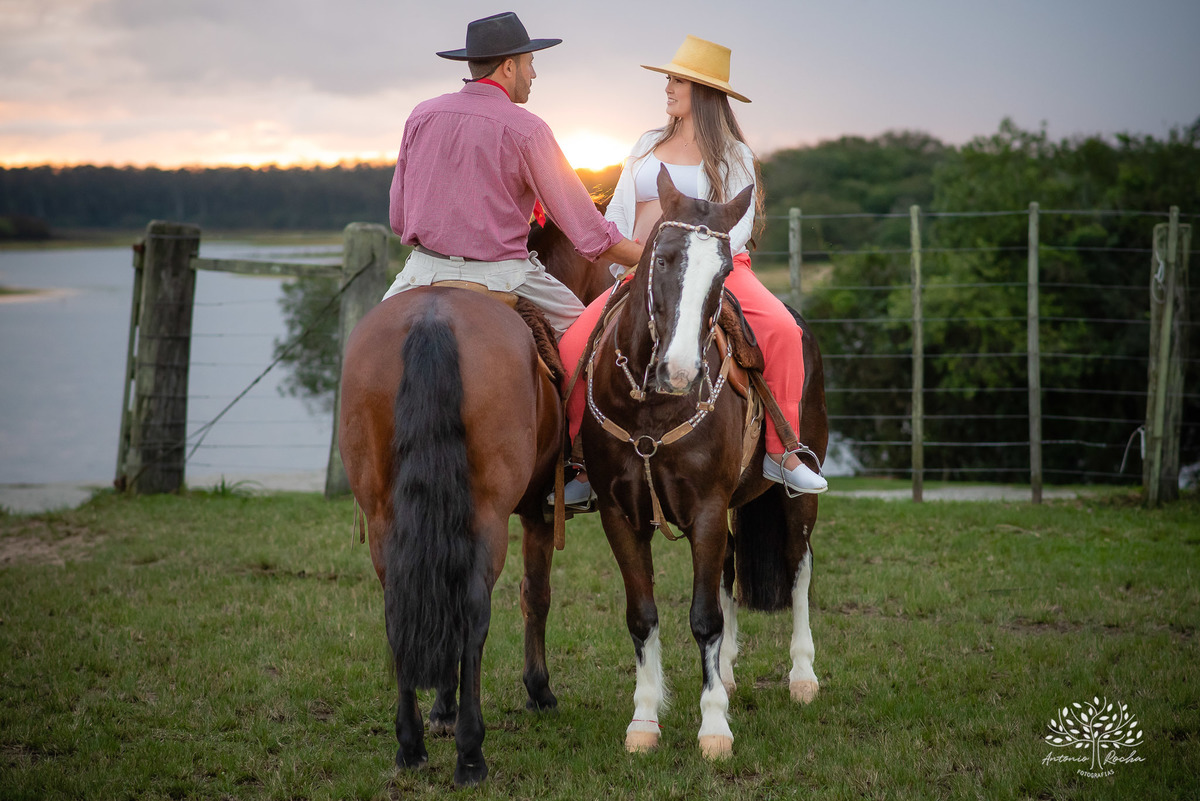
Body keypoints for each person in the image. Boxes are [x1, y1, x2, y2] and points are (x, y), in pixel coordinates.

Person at [557, 35, 827, 505]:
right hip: (643, 271)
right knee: (571, 346)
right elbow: (619, 211)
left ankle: (782, 452)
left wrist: (700, 263)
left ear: (702, 91)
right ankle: (581, 461)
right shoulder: (647, 143)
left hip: (717, 271)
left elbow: (738, 226)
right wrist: (629, 257)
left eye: (677, 80)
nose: (667, 87)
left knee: (785, 331)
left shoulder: (734, 155)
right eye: (668, 78)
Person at [384, 12, 642, 335]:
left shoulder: (420, 115)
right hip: (504, 276)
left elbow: (398, 219)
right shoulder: (527, 129)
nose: (533, 74)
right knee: (591, 338)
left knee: (369, 340)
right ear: (508, 67)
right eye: (529, 63)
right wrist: (647, 254)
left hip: (422, 271)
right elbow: (590, 234)